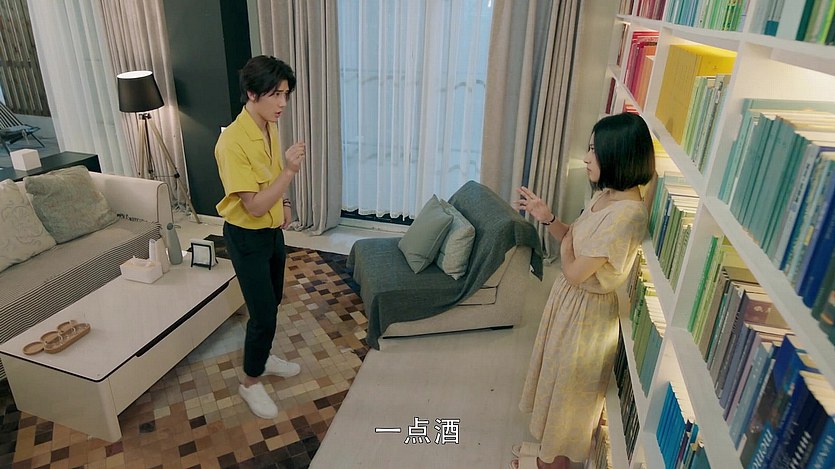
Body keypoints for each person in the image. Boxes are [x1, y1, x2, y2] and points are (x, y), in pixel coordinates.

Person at [510, 112, 656, 469]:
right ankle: (547, 453)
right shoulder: (606, 196)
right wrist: (548, 218)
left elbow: (575, 271)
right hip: (571, 304)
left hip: (587, 315)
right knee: (557, 383)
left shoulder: (627, 215)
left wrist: (568, 246)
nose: (587, 158)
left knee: (569, 397)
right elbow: (571, 240)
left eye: (594, 150)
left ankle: (551, 463)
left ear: (618, 155)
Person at [214, 55, 306, 419]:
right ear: (252, 93)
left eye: (285, 94)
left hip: (272, 232)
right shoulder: (231, 143)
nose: (283, 103)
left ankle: (263, 358)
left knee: (274, 301)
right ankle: (250, 382)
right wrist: (291, 172)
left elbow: (270, 175)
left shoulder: (269, 124)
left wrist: (285, 203)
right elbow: (252, 206)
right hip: (247, 236)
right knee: (262, 314)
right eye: (275, 95)